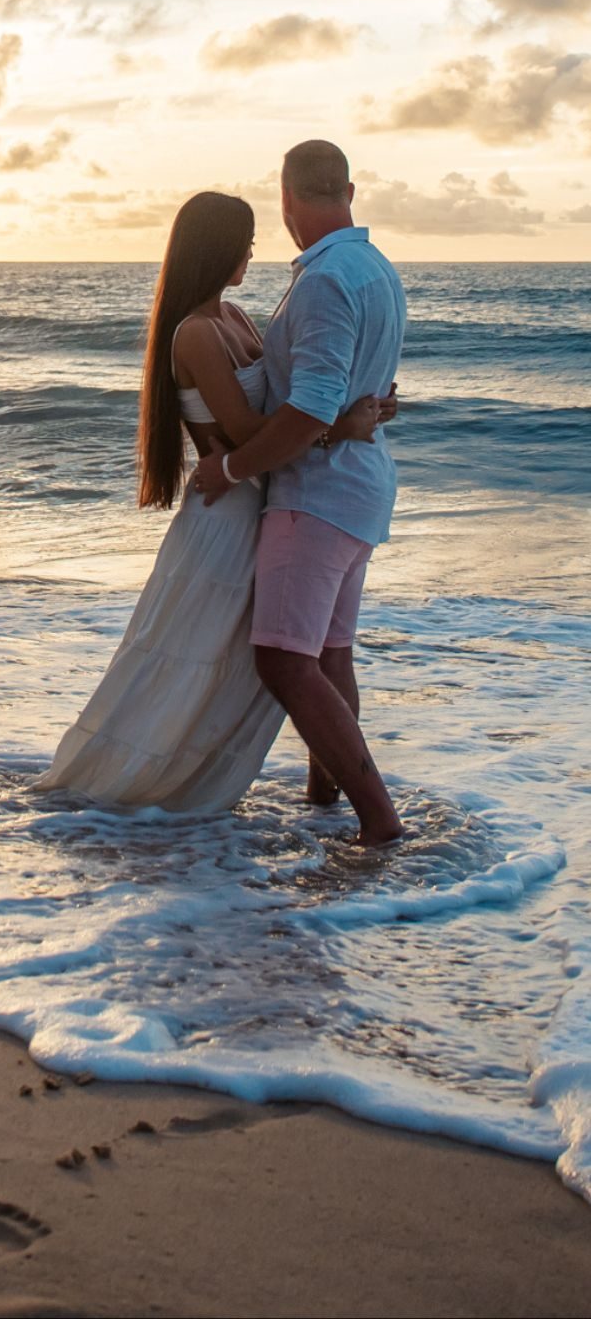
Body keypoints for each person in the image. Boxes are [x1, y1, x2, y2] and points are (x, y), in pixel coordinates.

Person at [35, 190, 387, 812]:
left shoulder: (236, 317)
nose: (251, 254)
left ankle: (322, 799)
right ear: (217, 249)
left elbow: (284, 399)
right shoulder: (195, 333)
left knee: (271, 659)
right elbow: (248, 432)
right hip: (224, 516)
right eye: (243, 244)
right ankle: (128, 786)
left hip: (259, 501)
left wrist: (355, 396)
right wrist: (341, 426)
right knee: (191, 653)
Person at [194, 141, 406, 847]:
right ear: (350, 191)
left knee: (285, 660)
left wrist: (229, 470)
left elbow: (311, 409)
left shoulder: (324, 280)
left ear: (286, 199)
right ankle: (325, 802)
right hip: (360, 487)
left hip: (318, 493)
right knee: (329, 654)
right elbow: (355, 388)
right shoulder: (375, 268)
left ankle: (379, 823)